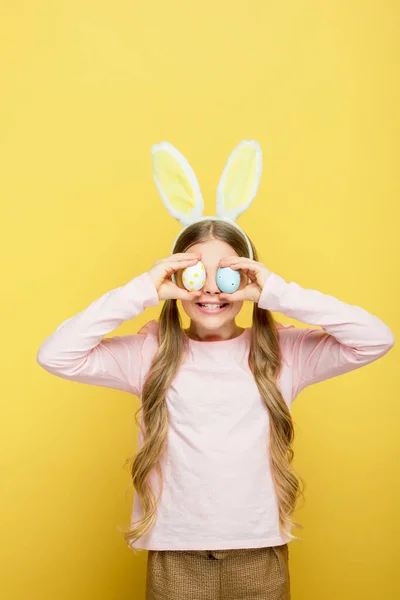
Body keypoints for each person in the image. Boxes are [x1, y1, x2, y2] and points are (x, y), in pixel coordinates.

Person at [36, 141, 394, 600]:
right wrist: (143, 289)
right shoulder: (151, 354)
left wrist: (277, 292)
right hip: (174, 553)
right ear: (174, 282)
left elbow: (376, 337)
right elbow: (56, 354)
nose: (210, 288)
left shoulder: (283, 353)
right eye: (193, 274)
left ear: (248, 278)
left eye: (225, 274)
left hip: (259, 551)